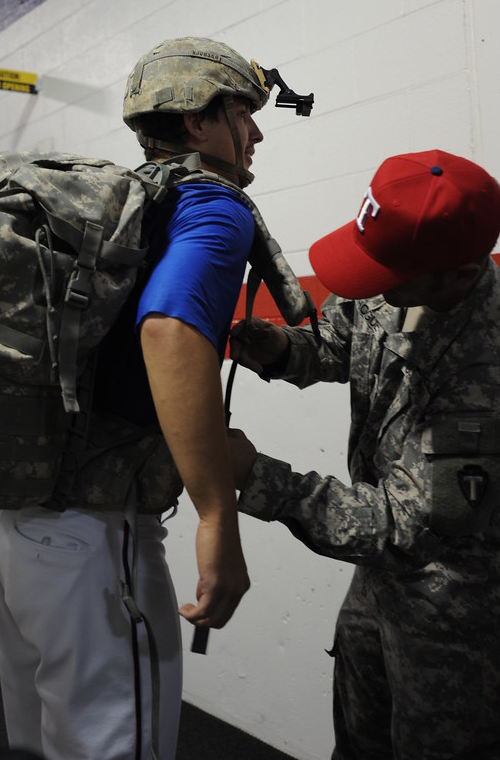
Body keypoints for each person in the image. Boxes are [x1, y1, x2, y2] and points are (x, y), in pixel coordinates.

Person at [0, 36, 273, 760]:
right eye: (244, 112)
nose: (258, 132)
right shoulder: (211, 205)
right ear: (200, 122)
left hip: (18, 526)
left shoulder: (117, 209)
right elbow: (170, 329)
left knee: (43, 744)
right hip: (95, 533)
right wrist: (217, 513)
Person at [228, 148, 500, 760]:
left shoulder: (487, 372)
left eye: (388, 276)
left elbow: (409, 527)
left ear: (459, 274)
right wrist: (283, 350)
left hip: (455, 608)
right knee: (358, 739)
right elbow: (340, 339)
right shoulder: (401, 271)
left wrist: (258, 477)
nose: (372, 284)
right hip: (378, 582)